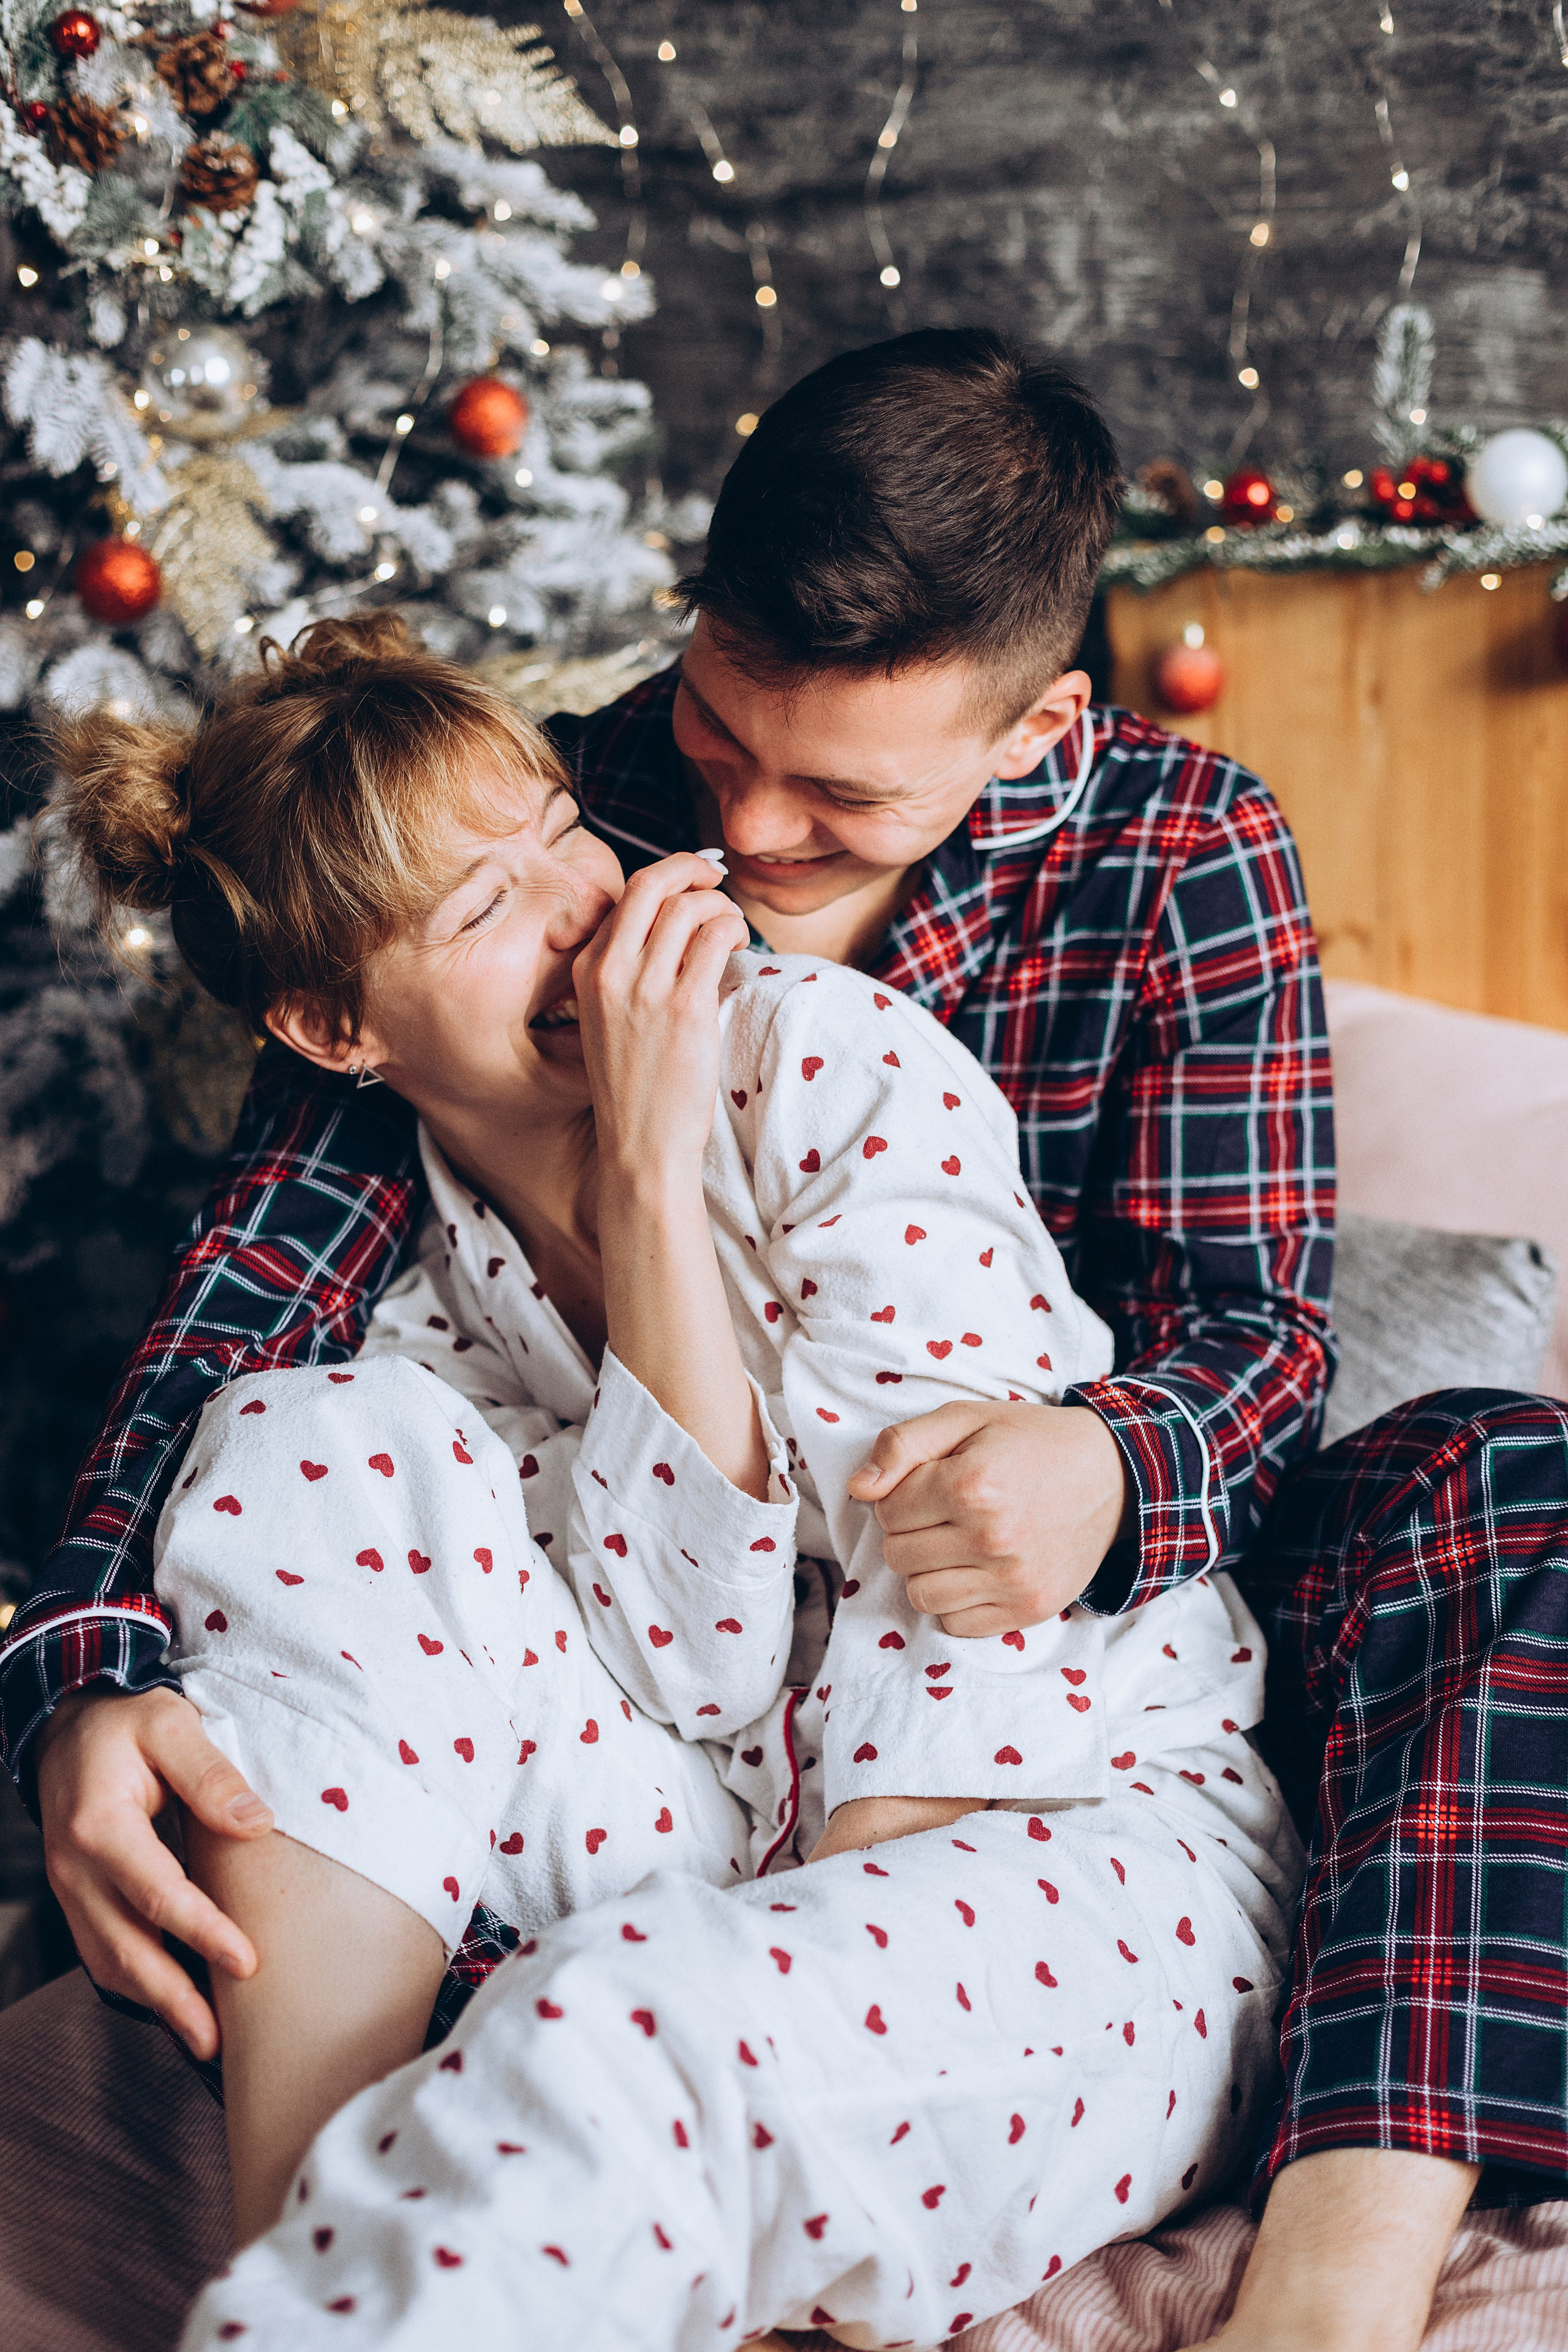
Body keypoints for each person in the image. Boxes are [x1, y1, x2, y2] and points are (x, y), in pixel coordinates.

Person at [2, 328, 1559, 2351]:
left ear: (1034, 730)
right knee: (321, 1429)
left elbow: (1253, 1339)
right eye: (716, 738)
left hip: (1074, 1676)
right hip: (688, 1720)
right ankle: (335, 2229)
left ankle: (1330, 2253)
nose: (729, 835)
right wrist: (83, 1673)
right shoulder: (546, 811)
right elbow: (245, 1310)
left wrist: (1102, 1466)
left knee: (1490, 1471)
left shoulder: (1169, 865)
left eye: (835, 792)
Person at [51, 616, 1294, 2330]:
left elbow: (964, 1640)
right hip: (723, 1850)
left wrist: (658, 1160)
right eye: (484, 910)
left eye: (563, 833)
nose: (581, 914)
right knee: (303, 1438)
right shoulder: (429, 1309)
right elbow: (695, 1663)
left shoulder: (837, 1073)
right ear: (334, 1027)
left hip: (1073, 1825)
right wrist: (637, 1174)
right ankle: (306, 2228)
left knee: (618, 2021)